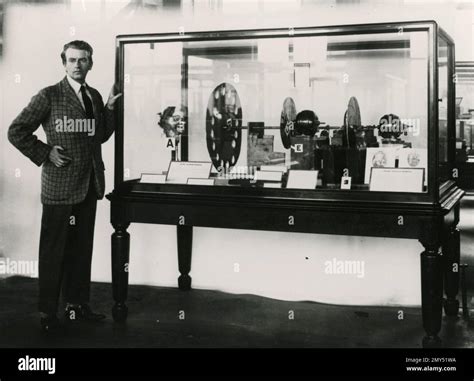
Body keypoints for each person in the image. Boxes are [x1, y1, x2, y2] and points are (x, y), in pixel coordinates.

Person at [7, 40, 121, 334]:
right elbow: (16, 131)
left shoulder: (94, 96)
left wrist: (108, 107)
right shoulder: (49, 95)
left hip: (89, 183)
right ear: (64, 63)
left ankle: (76, 305)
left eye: (83, 60)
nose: (77, 65)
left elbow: (101, 135)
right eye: (72, 60)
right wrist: (46, 153)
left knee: (82, 250)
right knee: (54, 252)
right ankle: (48, 312)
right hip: (60, 188)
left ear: (91, 63)